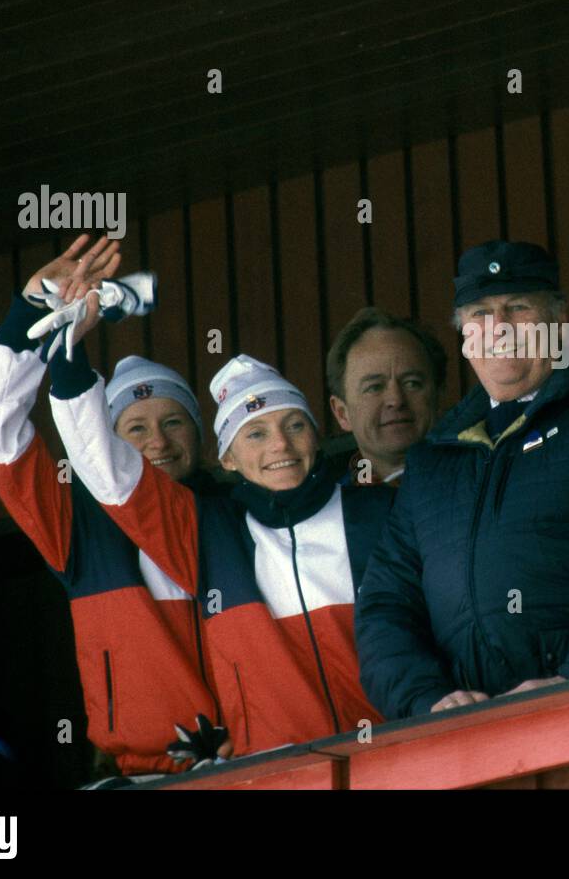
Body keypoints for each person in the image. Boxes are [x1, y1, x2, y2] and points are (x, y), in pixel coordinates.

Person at [355, 240, 569, 719]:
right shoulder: (432, 462)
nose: (499, 329)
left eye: (517, 308)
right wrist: (426, 699)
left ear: (557, 321)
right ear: (464, 338)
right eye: (479, 314)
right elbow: (385, 606)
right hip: (470, 736)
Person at [48, 296, 392, 753]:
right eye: (255, 433)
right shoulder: (209, 531)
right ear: (226, 456)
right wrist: (68, 350)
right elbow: (109, 470)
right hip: (279, 775)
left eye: (295, 424)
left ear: (317, 434)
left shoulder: (378, 511)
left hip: (393, 753)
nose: (279, 445)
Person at [0, 236, 223, 777]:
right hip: (136, 772)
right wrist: (28, 313)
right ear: (100, 437)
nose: (157, 441)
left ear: (202, 437)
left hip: (251, 760)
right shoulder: (75, 523)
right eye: (134, 427)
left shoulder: (231, 513)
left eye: (174, 421)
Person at [326, 307, 447, 487]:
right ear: (342, 413)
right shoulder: (333, 510)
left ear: (438, 394)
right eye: (374, 387)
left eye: (412, 383)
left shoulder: (483, 485)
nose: (396, 400)